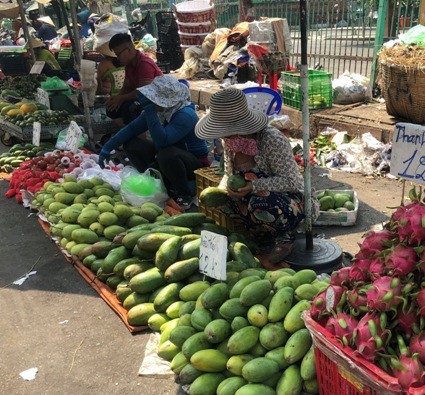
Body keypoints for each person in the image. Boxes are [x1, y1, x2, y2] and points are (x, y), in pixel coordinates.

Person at [195, 88, 318, 263]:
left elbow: (291, 182)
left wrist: (253, 186)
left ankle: (285, 237)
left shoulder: (271, 140)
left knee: (262, 201)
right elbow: (229, 174)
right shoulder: (230, 142)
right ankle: (259, 233)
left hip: (287, 200)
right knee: (219, 199)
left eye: (229, 131)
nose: (225, 136)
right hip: (250, 198)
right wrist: (225, 189)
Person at [99, 76, 209, 208]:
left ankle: (184, 194)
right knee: (132, 145)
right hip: (169, 157)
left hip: (194, 165)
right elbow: (132, 129)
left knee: (167, 153)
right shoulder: (161, 111)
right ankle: (156, 183)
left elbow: (162, 142)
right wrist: (107, 147)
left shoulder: (185, 114)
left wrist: (150, 111)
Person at [105, 33, 162, 126]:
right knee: (111, 108)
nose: (118, 58)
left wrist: (121, 98)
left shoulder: (144, 63)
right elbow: (126, 86)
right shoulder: (129, 64)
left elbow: (144, 92)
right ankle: (128, 133)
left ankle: (139, 137)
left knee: (131, 108)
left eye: (118, 54)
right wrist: (117, 98)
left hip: (157, 100)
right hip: (141, 98)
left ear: (128, 50)